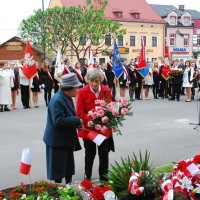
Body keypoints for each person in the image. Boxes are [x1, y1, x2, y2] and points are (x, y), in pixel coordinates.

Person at [43, 73, 83, 184]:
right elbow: (59, 121)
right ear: (68, 88)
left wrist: (77, 123)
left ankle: (69, 185)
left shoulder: (67, 97)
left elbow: (68, 116)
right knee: (58, 170)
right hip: (57, 141)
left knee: (68, 168)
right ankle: (59, 190)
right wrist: (77, 120)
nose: (78, 90)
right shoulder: (57, 100)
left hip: (65, 139)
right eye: (76, 87)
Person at [76, 68, 114, 182]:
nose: (94, 84)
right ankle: (87, 176)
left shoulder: (106, 90)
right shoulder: (82, 92)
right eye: (91, 81)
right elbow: (79, 113)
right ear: (88, 80)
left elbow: (110, 108)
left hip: (103, 129)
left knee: (104, 155)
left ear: (100, 80)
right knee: (90, 154)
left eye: (96, 81)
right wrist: (92, 116)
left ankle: (104, 178)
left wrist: (109, 118)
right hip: (89, 130)